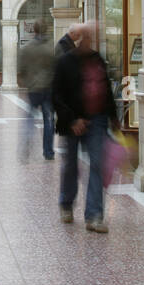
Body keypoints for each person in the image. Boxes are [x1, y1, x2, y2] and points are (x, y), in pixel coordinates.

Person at [52, 21, 118, 232]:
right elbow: (56, 95)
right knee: (70, 166)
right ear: (78, 38)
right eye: (87, 36)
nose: (90, 39)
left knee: (97, 164)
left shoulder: (97, 59)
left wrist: (114, 118)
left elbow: (106, 90)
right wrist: (72, 120)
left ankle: (94, 216)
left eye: (93, 36)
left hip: (97, 120)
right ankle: (66, 203)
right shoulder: (65, 62)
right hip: (72, 123)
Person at [18, 22, 56, 160]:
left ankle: (26, 146)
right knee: (48, 120)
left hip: (33, 89)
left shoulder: (27, 48)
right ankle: (48, 151)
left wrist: (28, 83)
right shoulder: (51, 47)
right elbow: (55, 67)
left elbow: (21, 70)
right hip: (47, 88)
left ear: (34, 30)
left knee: (29, 119)